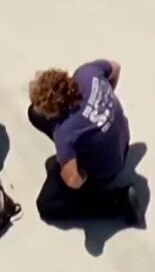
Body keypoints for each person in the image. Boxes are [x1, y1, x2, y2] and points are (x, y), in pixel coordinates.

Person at [27, 60, 141, 225]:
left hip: (108, 169)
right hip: (121, 141)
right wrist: (99, 109)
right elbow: (115, 68)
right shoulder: (87, 73)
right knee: (34, 114)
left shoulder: (65, 133)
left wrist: (79, 172)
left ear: (54, 110)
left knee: (47, 205)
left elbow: (74, 180)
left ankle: (119, 202)